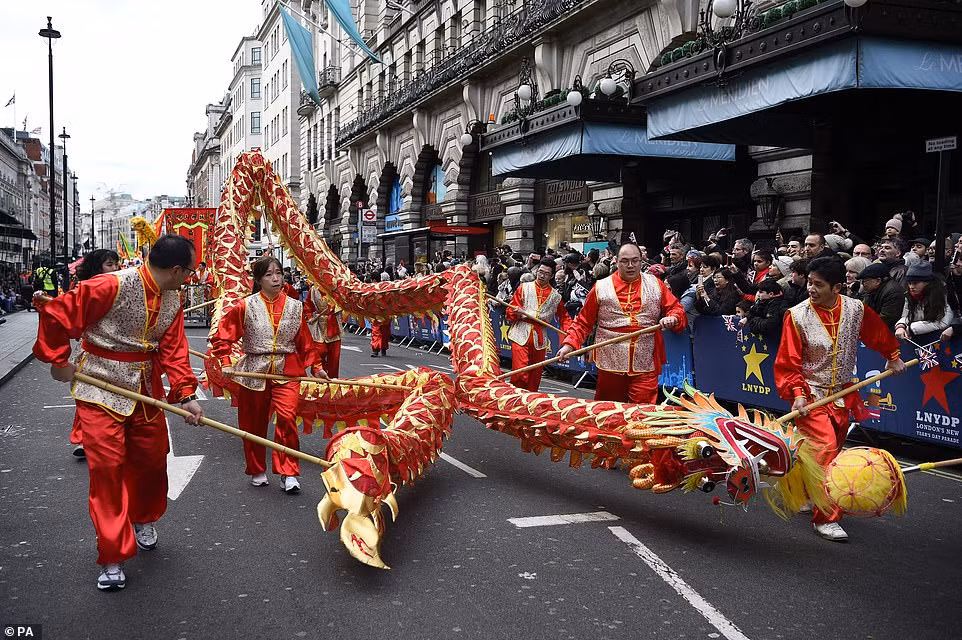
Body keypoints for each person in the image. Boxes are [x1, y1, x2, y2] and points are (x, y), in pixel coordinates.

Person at [32, 235, 204, 591]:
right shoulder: (108, 285)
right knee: (107, 470)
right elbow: (56, 311)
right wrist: (58, 359)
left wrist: (185, 393)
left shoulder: (174, 298)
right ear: (175, 269)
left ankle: (141, 518)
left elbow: (173, 348)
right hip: (99, 387)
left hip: (144, 391)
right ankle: (112, 554)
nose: (190, 276)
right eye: (189, 270)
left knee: (152, 461)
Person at [774, 257, 905, 542]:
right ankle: (827, 518)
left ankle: (809, 493)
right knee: (827, 451)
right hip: (810, 396)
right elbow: (787, 362)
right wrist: (797, 395)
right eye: (809, 283)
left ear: (838, 287)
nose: (811, 289)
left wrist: (893, 357)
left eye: (818, 285)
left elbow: (877, 333)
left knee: (826, 451)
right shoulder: (796, 316)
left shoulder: (856, 309)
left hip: (844, 394)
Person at [212, 257, 322, 494]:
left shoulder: (295, 306)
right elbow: (223, 335)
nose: (276, 278)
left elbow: (305, 341)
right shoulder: (245, 305)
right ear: (259, 279)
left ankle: (288, 472)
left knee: (287, 418)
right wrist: (225, 361)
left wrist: (317, 366)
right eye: (269, 274)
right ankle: (257, 468)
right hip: (254, 368)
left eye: (279, 273)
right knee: (253, 422)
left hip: (287, 368)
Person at [557, 243, 686, 405]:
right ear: (616, 261)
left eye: (635, 261)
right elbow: (583, 322)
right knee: (609, 411)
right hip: (610, 360)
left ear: (641, 262)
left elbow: (676, 308)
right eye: (625, 261)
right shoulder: (601, 287)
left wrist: (673, 317)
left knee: (643, 412)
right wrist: (569, 344)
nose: (630, 265)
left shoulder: (656, 284)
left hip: (645, 359)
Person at [66, 249, 121, 459]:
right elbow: (69, 321)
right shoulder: (84, 290)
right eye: (109, 264)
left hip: (116, 356)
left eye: (116, 263)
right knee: (88, 397)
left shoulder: (123, 288)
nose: (115, 268)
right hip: (90, 354)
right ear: (97, 267)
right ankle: (83, 438)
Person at [506, 258, 570, 392]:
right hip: (520, 333)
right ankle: (515, 401)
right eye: (540, 272)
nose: (542, 275)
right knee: (520, 373)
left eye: (546, 273)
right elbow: (510, 310)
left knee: (535, 376)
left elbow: (565, 318)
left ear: (551, 276)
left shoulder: (556, 296)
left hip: (540, 337)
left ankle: (529, 405)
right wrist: (516, 312)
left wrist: (568, 341)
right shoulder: (523, 287)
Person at [895, 261, 954, 342]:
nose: (911, 287)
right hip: (918, 338)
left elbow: (943, 323)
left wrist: (913, 328)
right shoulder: (909, 295)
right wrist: (901, 326)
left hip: (940, 341)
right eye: (909, 283)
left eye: (915, 283)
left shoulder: (942, 295)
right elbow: (906, 316)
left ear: (927, 283)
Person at [304, 286, 343, 377]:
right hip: (318, 326)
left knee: (334, 358)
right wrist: (310, 316)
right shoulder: (313, 290)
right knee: (318, 353)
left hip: (333, 325)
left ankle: (333, 382)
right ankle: (318, 380)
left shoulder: (335, 289)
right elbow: (308, 305)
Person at [857, 262, 905, 331]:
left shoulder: (892, 292)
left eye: (865, 281)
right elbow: (863, 310)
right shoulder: (871, 291)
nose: (863, 284)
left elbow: (886, 319)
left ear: (878, 281)